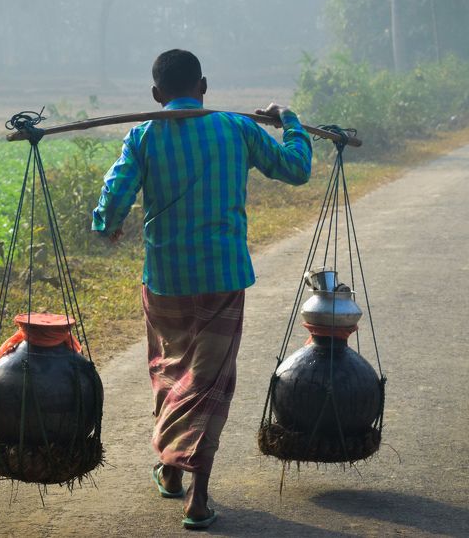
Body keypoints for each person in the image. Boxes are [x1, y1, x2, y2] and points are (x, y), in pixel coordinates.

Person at [92, 49, 312, 530]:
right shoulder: (237, 128)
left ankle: (172, 473)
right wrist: (290, 122)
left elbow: (114, 197)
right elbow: (296, 168)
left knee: (171, 375)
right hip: (222, 280)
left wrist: (107, 224)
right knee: (210, 383)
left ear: (156, 95)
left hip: (166, 282)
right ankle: (199, 497)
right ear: (204, 86)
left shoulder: (144, 135)